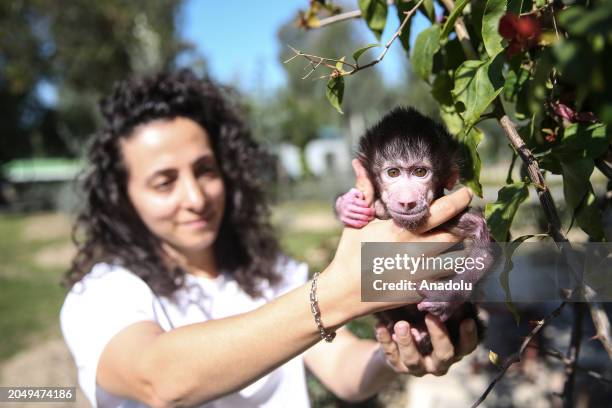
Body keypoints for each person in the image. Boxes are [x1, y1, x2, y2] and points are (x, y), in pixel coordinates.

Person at [60, 69, 478, 408]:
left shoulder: (268, 273)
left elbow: (343, 369)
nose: (195, 197)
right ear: (124, 198)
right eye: (163, 182)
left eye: (206, 170)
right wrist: (343, 290)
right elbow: (160, 381)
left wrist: (399, 354)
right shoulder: (101, 293)